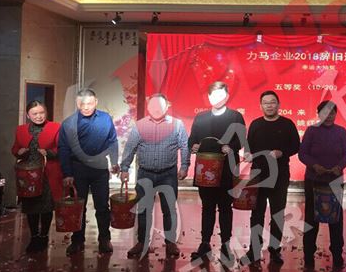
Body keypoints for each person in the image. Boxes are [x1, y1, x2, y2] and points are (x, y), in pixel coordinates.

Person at [120, 94, 189, 259]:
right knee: (143, 210)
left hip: (168, 174)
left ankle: (170, 242)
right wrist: (124, 168)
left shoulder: (177, 125)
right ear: (148, 107)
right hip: (145, 173)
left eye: (160, 106)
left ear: (167, 107)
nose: (156, 109)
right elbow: (130, 148)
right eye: (153, 106)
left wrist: (184, 166)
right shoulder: (140, 125)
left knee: (169, 209)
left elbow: (184, 146)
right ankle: (142, 242)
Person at [58, 88, 119, 256]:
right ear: (77, 103)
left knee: (102, 206)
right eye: (82, 104)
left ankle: (104, 239)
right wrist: (67, 173)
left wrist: (114, 162)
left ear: (96, 102)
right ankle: (77, 240)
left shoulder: (105, 119)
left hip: (100, 168)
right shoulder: (69, 123)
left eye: (90, 103)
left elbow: (112, 141)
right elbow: (63, 148)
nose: (86, 107)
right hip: (78, 169)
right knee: (79, 207)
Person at [189, 81, 245, 260]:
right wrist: (194, 146)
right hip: (205, 170)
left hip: (227, 169)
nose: (217, 98)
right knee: (207, 207)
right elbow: (192, 139)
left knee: (225, 207)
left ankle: (226, 246)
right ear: (208, 97)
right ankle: (205, 243)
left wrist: (231, 147)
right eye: (213, 95)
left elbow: (241, 140)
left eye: (221, 95)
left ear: (227, 96)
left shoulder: (235, 116)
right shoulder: (201, 117)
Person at [244, 90, 300, 265]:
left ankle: (275, 249)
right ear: (261, 106)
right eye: (266, 103)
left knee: (278, 213)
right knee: (256, 213)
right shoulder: (255, 124)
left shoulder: (287, 124)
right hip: (258, 175)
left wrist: (282, 152)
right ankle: (254, 249)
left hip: (280, 175)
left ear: (278, 105)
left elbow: (296, 146)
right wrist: (247, 154)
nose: (269, 105)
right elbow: (249, 148)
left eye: (272, 102)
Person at [299, 101, 346, 269]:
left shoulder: (341, 132)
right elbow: (302, 154)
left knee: (336, 219)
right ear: (318, 114)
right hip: (314, 180)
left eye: (332, 113)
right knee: (311, 218)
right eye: (324, 113)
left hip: (335, 180)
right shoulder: (311, 131)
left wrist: (339, 167)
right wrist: (314, 166)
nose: (328, 116)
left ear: (336, 114)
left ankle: (337, 253)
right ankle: (308, 254)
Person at [11, 101, 63, 253]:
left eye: (42, 113)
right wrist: (19, 152)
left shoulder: (55, 127)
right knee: (31, 206)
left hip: (47, 174)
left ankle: (44, 236)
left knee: (46, 207)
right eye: (35, 114)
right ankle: (34, 237)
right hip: (28, 176)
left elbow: (61, 148)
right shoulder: (21, 130)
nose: (39, 116)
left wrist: (49, 153)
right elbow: (14, 148)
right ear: (28, 115)